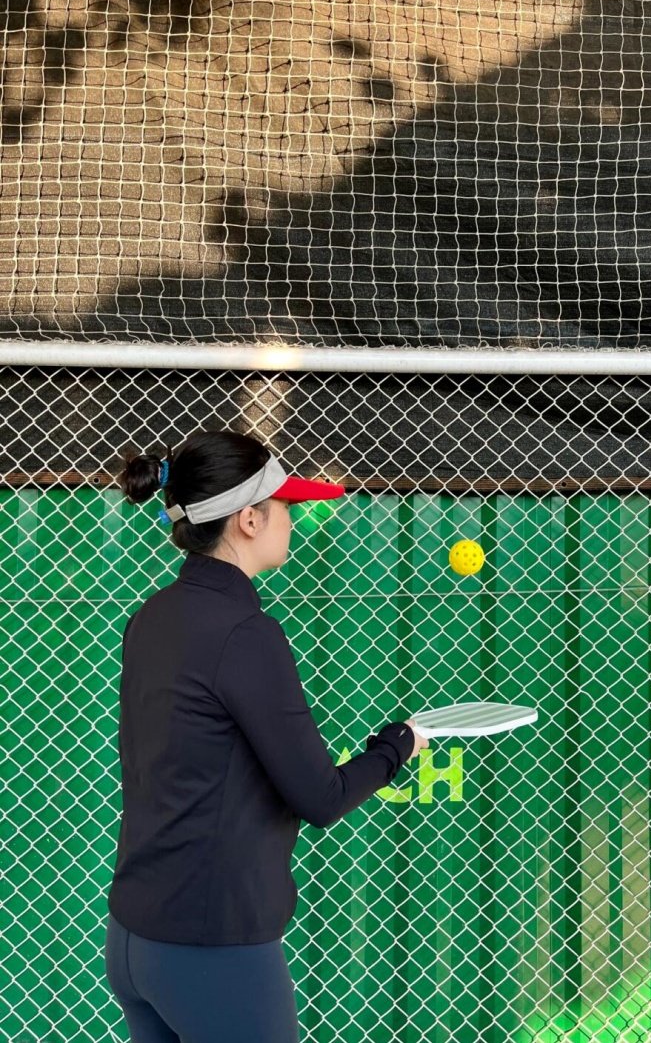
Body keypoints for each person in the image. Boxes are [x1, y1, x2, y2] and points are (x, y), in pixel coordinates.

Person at [103, 428, 428, 1042]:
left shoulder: (152, 617)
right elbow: (320, 797)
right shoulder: (246, 632)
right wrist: (399, 745)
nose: (292, 520)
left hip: (134, 941)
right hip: (211, 948)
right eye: (287, 507)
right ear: (249, 519)